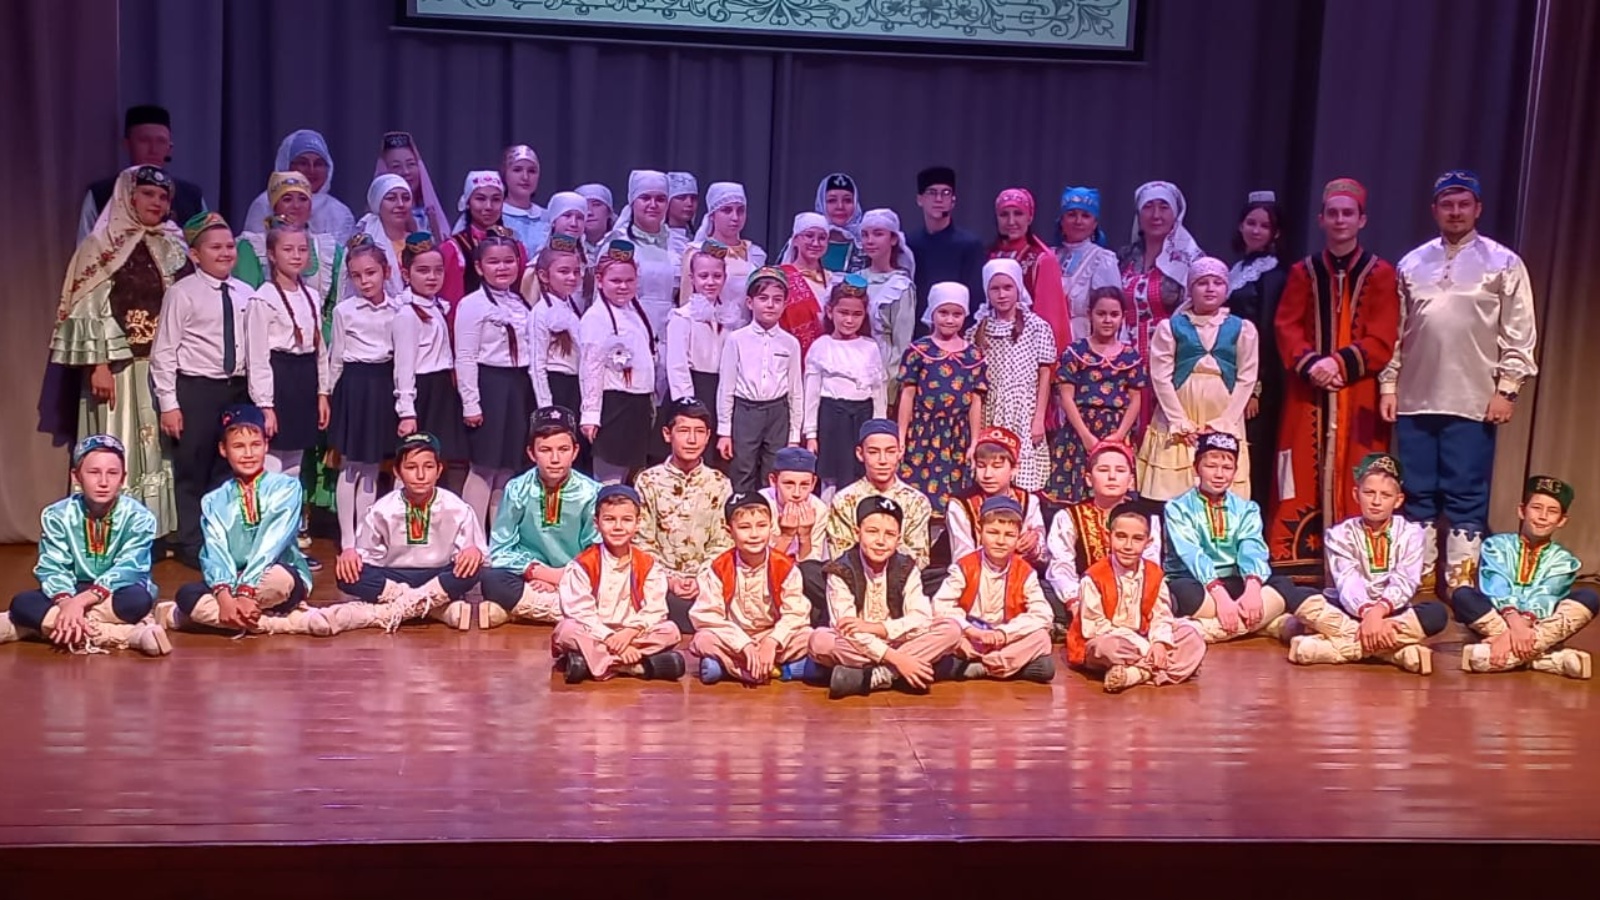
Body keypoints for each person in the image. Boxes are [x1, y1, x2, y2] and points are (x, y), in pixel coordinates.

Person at [1381, 170, 1539, 596]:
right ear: (1434, 210)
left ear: (1477, 209)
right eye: (1447, 205)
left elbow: (1520, 331)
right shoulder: (1411, 264)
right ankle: (1418, 578)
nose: (1455, 212)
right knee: (1417, 492)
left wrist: (1508, 388)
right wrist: (1389, 385)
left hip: (1473, 399)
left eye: (1463, 204)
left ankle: (1461, 582)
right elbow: (1396, 331)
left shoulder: (1503, 263)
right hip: (1415, 398)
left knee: (1466, 492)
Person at [50, 166, 188, 539]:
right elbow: (89, 307)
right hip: (120, 368)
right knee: (119, 443)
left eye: (163, 197)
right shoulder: (102, 244)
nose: (156, 203)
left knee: (157, 449)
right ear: (128, 196)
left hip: (163, 367)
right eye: (148, 194)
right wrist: (99, 364)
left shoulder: (174, 243)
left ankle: (153, 530)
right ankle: (109, 529)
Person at [1270, 178, 1398, 572]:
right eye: (1333, 213)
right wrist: (1313, 365)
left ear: (1362, 220)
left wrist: (1338, 364)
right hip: (1307, 393)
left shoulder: (1381, 273)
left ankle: (1359, 565)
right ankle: (1298, 564)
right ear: (1321, 219)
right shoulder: (1303, 272)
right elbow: (1286, 327)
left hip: (1357, 393)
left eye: (1348, 213)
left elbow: (1383, 335)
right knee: (1296, 471)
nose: (1340, 220)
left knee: (1361, 469)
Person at [158, 405, 329, 636]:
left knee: (280, 582)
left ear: (266, 445)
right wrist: (225, 597)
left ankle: (192, 618)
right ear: (223, 449)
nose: (248, 454)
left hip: (273, 574)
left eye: (255, 445)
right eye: (238, 446)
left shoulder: (286, 487)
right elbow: (214, 552)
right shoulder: (214, 500)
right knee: (187, 595)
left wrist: (247, 591)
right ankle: (277, 622)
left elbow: (271, 542)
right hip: (232, 579)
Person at [2, 435, 169, 656]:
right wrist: (66, 603)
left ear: (123, 478)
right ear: (76, 476)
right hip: (73, 590)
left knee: (137, 601)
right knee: (22, 602)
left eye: (112, 473)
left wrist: (79, 604)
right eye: (94, 472)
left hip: (114, 594)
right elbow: (52, 567)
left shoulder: (139, 517)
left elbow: (130, 568)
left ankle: (36, 626)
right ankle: (127, 635)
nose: (103, 482)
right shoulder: (57, 515)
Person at [150, 211, 251, 568]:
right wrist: (169, 404)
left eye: (229, 246)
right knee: (193, 467)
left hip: (236, 389)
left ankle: (220, 538)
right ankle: (192, 542)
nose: (224, 253)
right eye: (215, 247)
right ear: (195, 254)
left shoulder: (246, 293)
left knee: (228, 468)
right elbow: (164, 351)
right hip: (197, 389)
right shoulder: (182, 293)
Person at [1284, 453, 1447, 674]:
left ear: (1398, 500)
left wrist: (1377, 613)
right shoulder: (1339, 534)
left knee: (1436, 613)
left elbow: (1405, 580)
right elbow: (1347, 580)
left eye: (1385, 495)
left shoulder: (1412, 533)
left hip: (1391, 612)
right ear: (1356, 494)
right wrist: (1367, 614)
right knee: (1298, 595)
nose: (1376, 501)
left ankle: (1339, 646)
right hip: (1350, 609)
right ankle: (1394, 652)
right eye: (1369, 493)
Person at [327, 433, 486, 633]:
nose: (420, 475)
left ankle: (396, 608)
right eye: (411, 467)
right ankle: (432, 607)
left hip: (438, 575)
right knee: (347, 575)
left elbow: (474, 553)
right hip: (394, 577)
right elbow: (367, 556)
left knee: (473, 571)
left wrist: (473, 551)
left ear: (439, 470)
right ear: (397, 472)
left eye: (428, 467)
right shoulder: (382, 510)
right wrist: (351, 554)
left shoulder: (457, 508)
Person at [809, 496, 963, 698]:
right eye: (872, 532)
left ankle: (878, 676)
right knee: (820, 641)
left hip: (899, 640)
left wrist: (877, 628)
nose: (880, 541)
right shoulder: (840, 570)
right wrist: (898, 660)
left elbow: (922, 619)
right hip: (858, 645)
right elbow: (847, 629)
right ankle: (905, 670)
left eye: (889, 534)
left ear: (898, 539)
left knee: (951, 629)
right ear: (857, 533)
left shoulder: (907, 567)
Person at [1163, 432, 1307, 644]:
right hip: (1198, 584)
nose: (1219, 474)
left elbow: (1251, 548)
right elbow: (1192, 554)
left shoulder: (1246, 509)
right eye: (1211, 466)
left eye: (1227, 468)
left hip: (1235, 581)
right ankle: (1261, 623)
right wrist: (1220, 596)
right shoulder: (1177, 507)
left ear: (1235, 471)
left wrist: (1252, 589)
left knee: (1282, 584)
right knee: (1184, 593)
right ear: (1196, 468)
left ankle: (1208, 629)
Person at [1137, 256, 1258, 500]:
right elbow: (1161, 376)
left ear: (1226, 289)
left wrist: (1226, 421)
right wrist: (1180, 421)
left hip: (1223, 411)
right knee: (1175, 478)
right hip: (1180, 410)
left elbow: (1247, 377)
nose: (1210, 288)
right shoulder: (1171, 327)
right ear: (1191, 289)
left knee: (1217, 473)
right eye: (1202, 283)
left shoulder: (1243, 328)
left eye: (1217, 283)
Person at [1453, 476, 1594, 679]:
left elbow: (1546, 595)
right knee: (1462, 595)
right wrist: (1516, 627)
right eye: (1536, 508)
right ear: (1522, 510)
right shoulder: (1496, 545)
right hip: (1500, 617)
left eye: (1552, 511)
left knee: (1589, 597)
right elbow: (1497, 584)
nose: (1543, 516)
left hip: (1539, 624)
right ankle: (1544, 656)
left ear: (1562, 520)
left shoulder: (1564, 560)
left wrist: (1520, 628)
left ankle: (1501, 652)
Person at [479, 406, 600, 630]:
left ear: (575, 451)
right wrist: (536, 572)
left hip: (577, 576)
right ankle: (574, 612)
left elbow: (597, 552)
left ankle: (523, 610)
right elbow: (499, 550)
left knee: (609, 583)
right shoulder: (517, 488)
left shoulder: (591, 493)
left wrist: (562, 577)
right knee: (491, 579)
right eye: (545, 450)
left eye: (563, 449)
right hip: (529, 575)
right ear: (531, 453)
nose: (555, 459)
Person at [552, 484, 687, 683]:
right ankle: (635, 667)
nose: (618, 527)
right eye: (609, 519)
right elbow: (579, 611)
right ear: (596, 523)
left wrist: (628, 634)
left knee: (670, 630)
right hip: (595, 632)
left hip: (633, 634)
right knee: (566, 630)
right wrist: (609, 637)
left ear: (638, 523)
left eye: (626, 520)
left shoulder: (648, 565)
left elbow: (655, 609)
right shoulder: (582, 565)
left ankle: (594, 663)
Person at [1067, 503, 1204, 693]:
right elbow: (1094, 628)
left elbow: (1161, 615)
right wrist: (1146, 646)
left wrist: (1159, 642)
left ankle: (1137, 674)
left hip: (1145, 637)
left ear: (1148, 542)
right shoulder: (1093, 577)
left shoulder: (1154, 574)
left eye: (1137, 539)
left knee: (1191, 637)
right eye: (1121, 537)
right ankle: (1160, 669)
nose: (1128, 546)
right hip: (1110, 640)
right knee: (1107, 648)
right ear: (1108, 537)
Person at [688, 491, 813, 685]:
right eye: (744, 527)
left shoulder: (785, 567)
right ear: (729, 531)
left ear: (772, 526)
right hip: (734, 637)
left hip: (771, 636)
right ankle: (773, 670)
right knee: (703, 639)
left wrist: (772, 641)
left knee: (809, 637)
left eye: (761, 526)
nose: (754, 534)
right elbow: (707, 615)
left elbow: (796, 614)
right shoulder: (719, 568)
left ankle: (729, 669)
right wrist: (743, 644)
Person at [454, 229, 535, 523]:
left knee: (508, 467)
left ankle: (498, 535)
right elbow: (465, 356)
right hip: (489, 386)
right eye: (494, 262)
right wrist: (471, 403)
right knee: (484, 465)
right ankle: (472, 535)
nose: (502, 268)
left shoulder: (521, 302)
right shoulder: (472, 304)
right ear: (479, 267)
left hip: (518, 386)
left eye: (508, 261)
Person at [930, 495, 1056, 683]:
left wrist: (1004, 633)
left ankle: (983, 667)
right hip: (968, 638)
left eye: (1009, 535)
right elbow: (940, 605)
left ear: (1018, 537)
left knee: (1042, 639)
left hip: (1004, 641)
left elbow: (1043, 614)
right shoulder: (964, 566)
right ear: (980, 532)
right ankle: (1005, 667)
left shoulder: (1025, 572)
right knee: (945, 633)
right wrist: (970, 631)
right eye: (993, 532)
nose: (1000, 541)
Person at [634, 397, 733, 634]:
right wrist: (669, 580)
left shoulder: (719, 483)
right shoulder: (648, 481)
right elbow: (641, 540)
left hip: (706, 582)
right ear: (667, 434)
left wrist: (701, 580)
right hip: (659, 583)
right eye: (684, 431)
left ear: (708, 436)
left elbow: (723, 541)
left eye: (699, 432)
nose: (692, 439)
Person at [243, 219, 331, 481]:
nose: (296, 256)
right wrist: (265, 404)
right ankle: (269, 505)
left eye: (302, 249)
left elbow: (319, 349)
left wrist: (322, 392)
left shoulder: (311, 295)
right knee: (272, 459)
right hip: (279, 378)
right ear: (272, 254)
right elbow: (257, 357)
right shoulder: (263, 299)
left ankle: (290, 505)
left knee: (295, 460)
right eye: (288, 249)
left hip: (304, 378)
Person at [328, 236, 400, 558]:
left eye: (371, 273)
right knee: (351, 465)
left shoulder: (398, 310)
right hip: (354, 387)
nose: (365, 281)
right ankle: (347, 539)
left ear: (385, 272)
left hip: (382, 385)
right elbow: (336, 357)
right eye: (357, 276)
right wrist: (328, 396)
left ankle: (363, 534)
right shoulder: (345, 311)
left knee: (371, 466)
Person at [1044, 287, 1145, 505]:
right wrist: (1085, 436)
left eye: (1114, 314)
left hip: (1116, 430)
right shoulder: (1075, 352)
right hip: (1080, 430)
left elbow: (1135, 400)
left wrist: (1119, 435)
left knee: (1114, 494)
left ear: (1123, 317)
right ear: (1090, 314)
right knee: (1077, 494)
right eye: (1101, 314)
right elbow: (1066, 397)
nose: (1107, 320)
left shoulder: (1130, 356)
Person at [1045, 442, 1163, 620]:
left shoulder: (1147, 518)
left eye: (1120, 470)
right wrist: (1075, 601)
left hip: (1133, 595)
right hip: (1084, 596)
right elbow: (1061, 566)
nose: (1112, 476)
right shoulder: (1068, 517)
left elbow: (1150, 563)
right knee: (1046, 593)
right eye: (1103, 470)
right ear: (1089, 479)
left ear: (1131, 480)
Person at [1120, 180, 1202, 433]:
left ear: (1175, 213)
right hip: (1126, 357)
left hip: (1170, 357)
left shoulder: (1191, 260)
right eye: (1149, 207)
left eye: (1164, 207)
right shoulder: (1124, 257)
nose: (1156, 215)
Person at [971, 258, 1057, 492]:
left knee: (1023, 471)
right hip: (991, 408)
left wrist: (1039, 418)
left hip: (1024, 409)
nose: (1002, 295)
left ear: (1018, 288)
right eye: (995, 289)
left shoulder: (1036, 327)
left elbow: (1045, 375)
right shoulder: (978, 329)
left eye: (1008, 287)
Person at [897, 283, 985, 508]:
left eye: (957, 314)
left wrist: (975, 441)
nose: (949, 320)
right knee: (917, 488)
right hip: (922, 431)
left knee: (954, 492)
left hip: (957, 434)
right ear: (932, 312)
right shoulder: (919, 351)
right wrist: (901, 436)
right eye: (943, 313)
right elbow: (908, 395)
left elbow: (976, 401)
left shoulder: (973, 355)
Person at [716, 266, 803, 493]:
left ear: (785, 304)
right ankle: (741, 511)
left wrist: (794, 435)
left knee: (773, 472)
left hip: (778, 413)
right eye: (763, 298)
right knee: (742, 469)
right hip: (745, 412)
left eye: (777, 300)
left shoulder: (790, 343)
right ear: (749, 302)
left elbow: (795, 390)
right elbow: (726, 387)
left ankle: (770, 512)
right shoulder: (736, 339)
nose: (770, 305)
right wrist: (724, 431)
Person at [1227, 191, 1288, 507]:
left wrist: (1255, 388)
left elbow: (1265, 333)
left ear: (1275, 233)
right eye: (1251, 223)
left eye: (1265, 226)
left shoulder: (1273, 275)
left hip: (1256, 380)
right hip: (1229, 373)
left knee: (1254, 452)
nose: (1256, 230)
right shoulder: (1236, 270)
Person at [578, 241, 658, 485]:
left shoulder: (636, 311)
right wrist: (591, 415)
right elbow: (590, 368)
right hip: (613, 404)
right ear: (600, 280)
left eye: (629, 280)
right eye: (616, 281)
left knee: (628, 477)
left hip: (637, 403)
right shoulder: (596, 318)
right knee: (609, 478)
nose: (623, 286)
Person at [805, 275, 887, 496]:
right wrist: (811, 434)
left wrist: (878, 428)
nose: (849, 320)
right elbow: (811, 394)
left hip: (862, 417)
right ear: (830, 312)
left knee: (860, 472)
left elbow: (878, 392)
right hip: (832, 417)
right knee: (831, 474)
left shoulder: (870, 347)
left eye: (856, 314)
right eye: (843, 313)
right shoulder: (821, 346)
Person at [393, 232, 468, 468]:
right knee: (415, 458)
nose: (432, 277)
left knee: (438, 458)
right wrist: (407, 412)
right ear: (406, 274)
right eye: (423, 271)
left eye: (438, 270)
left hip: (442, 388)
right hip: (423, 391)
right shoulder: (407, 314)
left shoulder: (437, 307)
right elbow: (404, 367)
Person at [80, 105, 207, 241]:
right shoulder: (101, 194)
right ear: (127, 144)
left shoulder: (191, 196)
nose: (153, 150)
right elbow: (85, 247)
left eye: (161, 142)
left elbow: (208, 243)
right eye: (144, 141)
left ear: (169, 148)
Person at [827, 419, 934, 569]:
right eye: (873, 452)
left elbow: (919, 557)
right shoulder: (844, 501)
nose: (882, 460)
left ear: (900, 452)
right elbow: (839, 556)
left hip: (904, 578)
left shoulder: (917, 502)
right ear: (860, 454)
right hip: (855, 578)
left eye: (890, 452)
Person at [601, 170, 685, 355]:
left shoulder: (678, 245)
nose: (653, 205)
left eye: (660, 199)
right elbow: (603, 299)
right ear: (633, 202)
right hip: (626, 335)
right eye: (645, 198)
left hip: (669, 338)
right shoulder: (617, 244)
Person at [526, 235, 592, 471]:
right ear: (544, 275)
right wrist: (546, 408)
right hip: (556, 386)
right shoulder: (541, 312)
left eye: (576, 272)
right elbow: (537, 365)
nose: (572, 277)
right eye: (564, 272)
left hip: (574, 387)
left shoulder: (571, 306)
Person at [234, 172, 346, 304]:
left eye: (303, 199)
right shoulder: (252, 247)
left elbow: (335, 303)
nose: (296, 206)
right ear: (274, 205)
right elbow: (245, 298)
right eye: (287, 199)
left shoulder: (329, 250)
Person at [943, 426, 1046, 566]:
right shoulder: (961, 505)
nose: (987, 475)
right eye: (981, 466)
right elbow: (962, 559)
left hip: (1021, 574)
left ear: (1014, 468)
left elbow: (1044, 557)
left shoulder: (1029, 501)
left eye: (997, 466)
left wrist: (1033, 547)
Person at [906, 166, 985, 336]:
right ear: (920, 199)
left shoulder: (969, 245)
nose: (939, 199)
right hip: (916, 335)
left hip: (957, 335)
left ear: (953, 201)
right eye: (932, 192)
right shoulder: (909, 244)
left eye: (946, 193)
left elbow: (975, 299)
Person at [990, 188, 1071, 354]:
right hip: (991, 348)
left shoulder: (1042, 259)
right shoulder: (990, 256)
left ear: (1030, 217)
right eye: (1004, 214)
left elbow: (1050, 319)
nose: (1011, 221)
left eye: (1018, 213)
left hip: (1027, 353)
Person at [243, 129, 356, 242]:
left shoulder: (339, 213)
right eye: (303, 163)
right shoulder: (264, 204)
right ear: (286, 165)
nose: (311, 170)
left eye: (318, 164)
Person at [441, 170, 530, 308]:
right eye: (480, 199)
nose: (488, 207)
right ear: (468, 202)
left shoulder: (516, 246)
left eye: (496, 199)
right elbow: (450, 302)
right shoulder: (454, 248)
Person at [682, 181, 764, 319]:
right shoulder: (697, 252)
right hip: (709, 327)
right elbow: (687, 302)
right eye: (726, 210)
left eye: (740, 210)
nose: (735, 217)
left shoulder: (755, 254)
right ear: (712, 215)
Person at [667, 239, 734, 406]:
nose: (710, 282)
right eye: (703, 276)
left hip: (720, 388)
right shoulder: (683, 317)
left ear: (725, 277)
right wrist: (686, 400)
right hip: (693, 387)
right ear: (692, 278)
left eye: (717, 276)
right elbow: (677, 365)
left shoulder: (729, 317)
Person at [858, 208, 918, 392]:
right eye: (865, 235)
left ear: (893, 239)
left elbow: (902, 343)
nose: (870, 241)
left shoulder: (900, 286)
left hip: (882, 370)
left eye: (878, 234)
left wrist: (891, 387)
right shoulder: (855, 279)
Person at [1053, 186, 1121, 343]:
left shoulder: (1102, 259)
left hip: (1084, 341)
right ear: (1062, 220)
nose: (1078, 221)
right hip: (1049, 339)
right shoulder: (1050, 256)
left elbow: (1110, 309)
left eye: (1085, 216)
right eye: (1071, 215)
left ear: (1095, 223)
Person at [452, 145, 547, 253]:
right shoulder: (487, 214)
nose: (525, 177)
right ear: (504, 174)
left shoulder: (548, 217)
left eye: (532, 171)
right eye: (517, 170)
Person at [776, 212, 835, 361]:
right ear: (795, 240)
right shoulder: (780, 277)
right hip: (787, 355)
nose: (815, 243)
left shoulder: (833, 280)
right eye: (809, 236)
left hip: (826, 358)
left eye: (822, 238)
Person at [374, 131, 450, 238]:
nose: (406, 172)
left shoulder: (430, 217)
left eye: (411, 164)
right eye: (396, 166)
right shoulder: (372, 223)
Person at [349, 174, 414, 298]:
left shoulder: (419, 242)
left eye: (406, 198)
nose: (400, 204)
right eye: (391, 198)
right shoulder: (363, 244)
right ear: (377, 203)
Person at [763, 446, 828, 565]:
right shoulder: (761, 506)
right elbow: (761, 565)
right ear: (773, 481)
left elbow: (812, 565)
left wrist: (805, 537)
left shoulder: (818, 509)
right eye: (789, 484)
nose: (797, 494)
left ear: (813, 483)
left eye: (804, 485)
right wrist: (786, 537)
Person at [815, 172, 865, 273]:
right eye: (832, 200)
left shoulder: (867, 245)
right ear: (821, 204)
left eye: (847, 200)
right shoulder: (803, 242)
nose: (840, 206)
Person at [575, 183, 616, 266]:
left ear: (609, 212)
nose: (589, 212)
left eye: (596, 205)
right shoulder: (567, 248)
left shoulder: (623, 243)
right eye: (584, 206)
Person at [666, 171, 699, 240]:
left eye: (693, 198)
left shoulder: (698, 239)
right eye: (681, 198)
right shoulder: (656, 240)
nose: (689, 203)